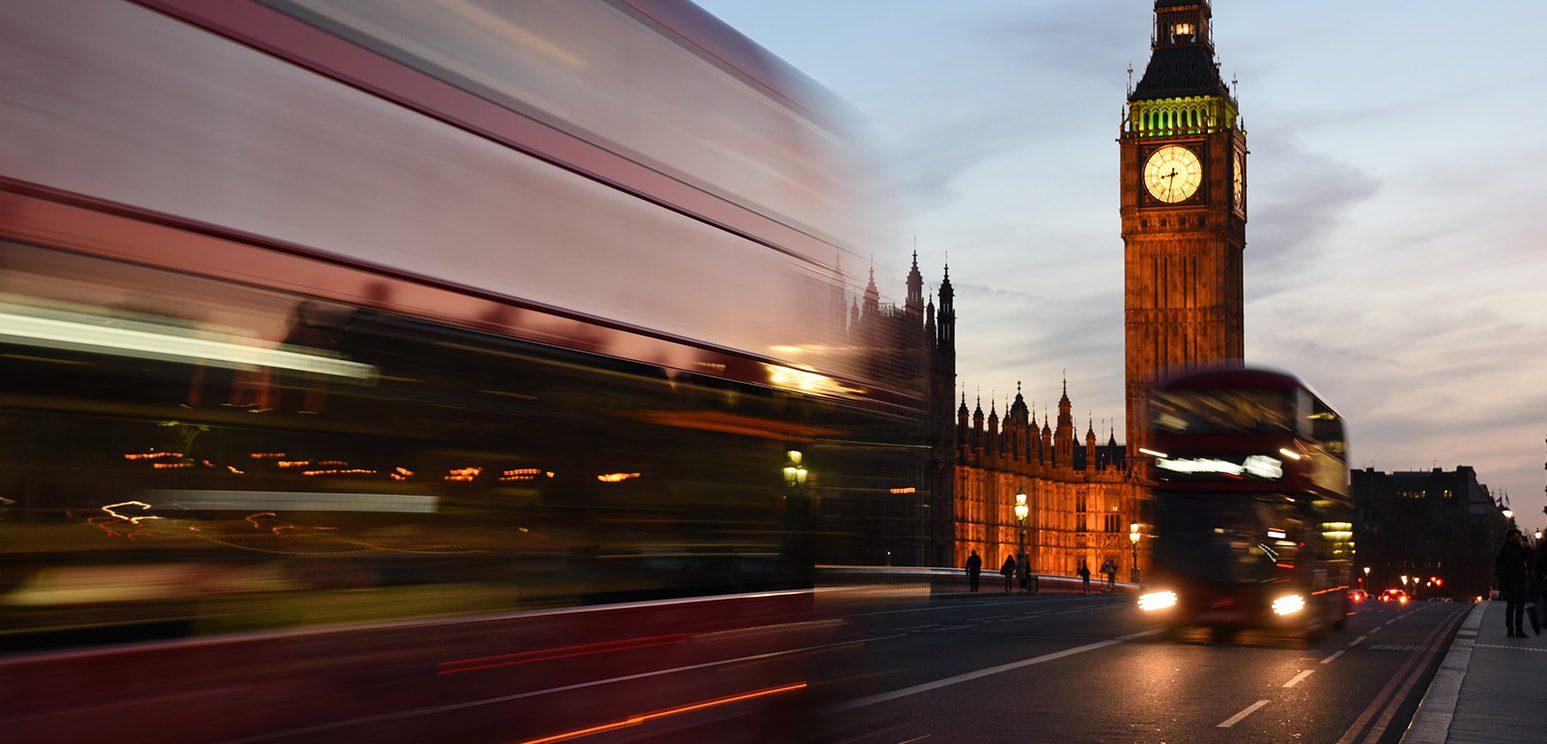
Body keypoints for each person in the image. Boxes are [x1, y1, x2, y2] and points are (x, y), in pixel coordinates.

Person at [1495, 528, 1531, 637]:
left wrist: (1527, 546)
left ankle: (1519, 629)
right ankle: (1510, 629)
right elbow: (1499, 567)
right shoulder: (1506, 549)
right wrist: (1503, 582)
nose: (1518, 538)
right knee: (1511, 607)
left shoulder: (1520, 548)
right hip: (1511, 582)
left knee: (1520, 607)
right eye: (1516, 536)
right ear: (1511, 538)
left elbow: (1529, 558)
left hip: (1521, 580)